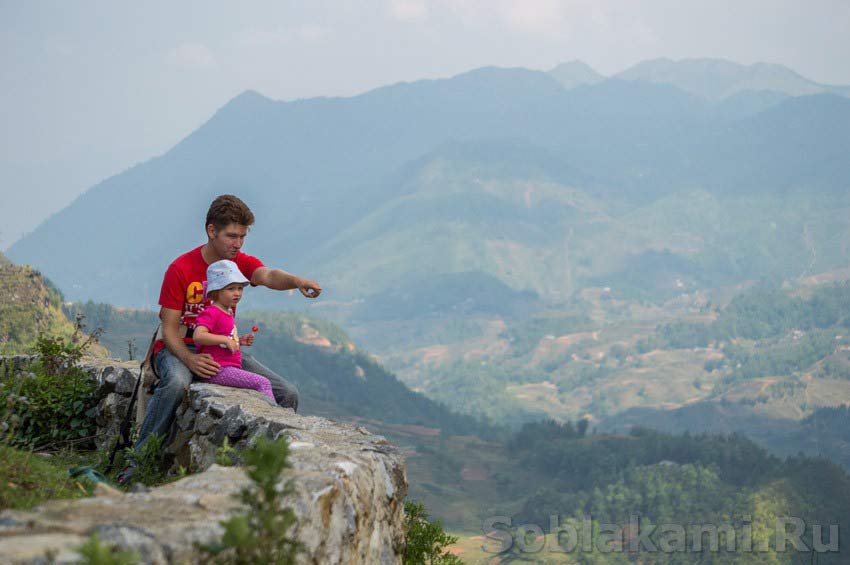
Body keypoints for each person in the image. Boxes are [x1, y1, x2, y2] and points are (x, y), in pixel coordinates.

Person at [119, 195, 321, 483]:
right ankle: (137, 464)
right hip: (179, 348)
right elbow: (169, 328)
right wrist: (190, 359)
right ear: (211, 231)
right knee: (176, 383)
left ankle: (271, 474)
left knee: (287, 393)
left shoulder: (237, 264)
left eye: (242, 237)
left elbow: (268, 275)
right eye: (231, 236)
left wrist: (297, 281)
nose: (237, 244)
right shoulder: (181, 269)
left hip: (224, 352)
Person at [192, 259, 275, 401]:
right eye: (231, 289)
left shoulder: (227, 312)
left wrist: (239, 341)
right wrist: (225, 339)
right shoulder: (212, 312)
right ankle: (275, 415)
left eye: (240, 288)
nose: (237, 293)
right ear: (216, 291)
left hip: (227, 368)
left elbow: (222, 338)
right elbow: (198, 335)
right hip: (218, 370)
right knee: (263, 383)